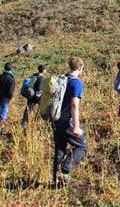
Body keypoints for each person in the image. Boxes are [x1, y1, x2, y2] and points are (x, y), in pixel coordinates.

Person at [40, 57, 87, 187]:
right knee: (82, 145)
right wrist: (76, 126)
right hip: (67, 121)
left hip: (56, 120)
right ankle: (65, 169)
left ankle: (57, 182)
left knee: (60, 149)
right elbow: (74, 105)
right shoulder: (76, 83)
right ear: (80, 68)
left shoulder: (61, 79)